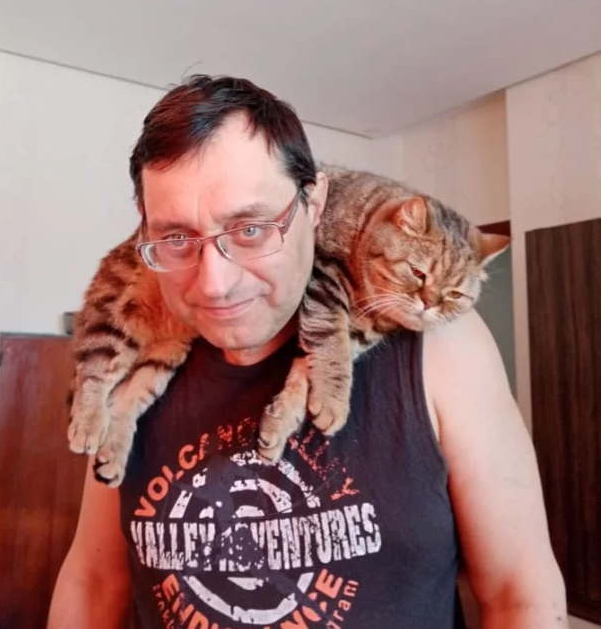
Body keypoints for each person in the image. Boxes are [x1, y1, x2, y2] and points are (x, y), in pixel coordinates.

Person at [48, 75, 567, 628]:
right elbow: (94, 579)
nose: (215, 285)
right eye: (177, 238)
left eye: (250, 229)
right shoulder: (132, 368)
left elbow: (520, 591)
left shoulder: (440, 347)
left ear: (314, 203)